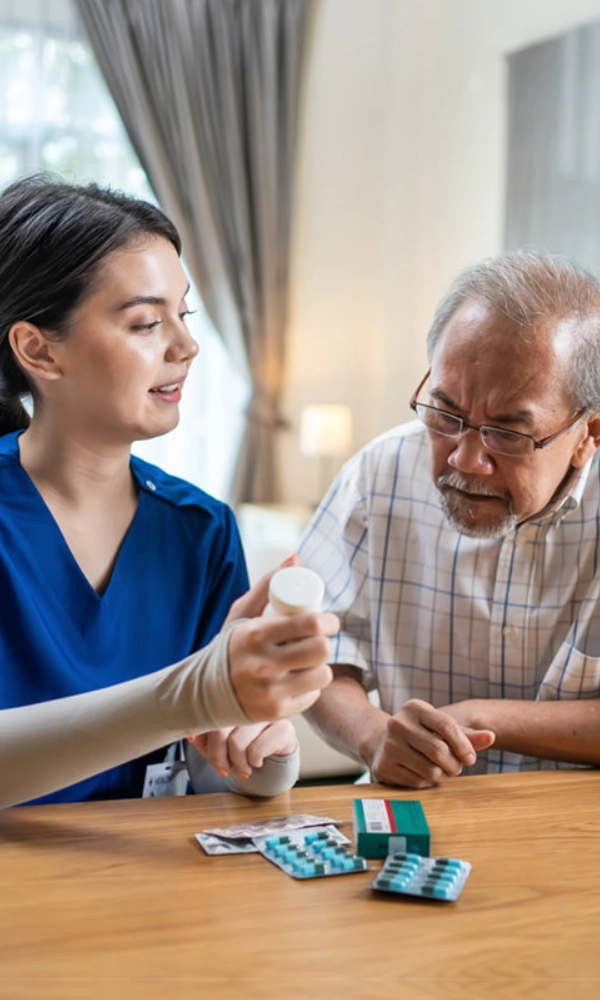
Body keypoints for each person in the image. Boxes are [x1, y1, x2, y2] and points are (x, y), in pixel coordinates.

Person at [0, 174, 337, 806]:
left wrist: (267, 744)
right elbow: (185, 704)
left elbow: (208, 768)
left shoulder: (200, 529)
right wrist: (192, 693)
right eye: (147, 323)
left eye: (183, 315)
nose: (187, 346)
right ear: (38, 351)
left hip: (150, 891)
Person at [299, 249, 600, 788]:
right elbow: (314, 656)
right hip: (414, 816)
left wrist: (481, 720)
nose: (464, 459)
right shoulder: (381, 473)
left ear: (589, 433)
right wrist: (375, 736)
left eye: (508, 432)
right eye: (445, 414)